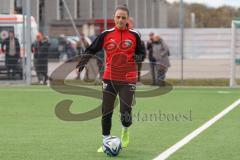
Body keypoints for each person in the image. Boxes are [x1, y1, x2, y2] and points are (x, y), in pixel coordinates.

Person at [76, 5, 145, 152]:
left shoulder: (135, 35)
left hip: (128, 79)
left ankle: (125, 131)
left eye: (123, 17)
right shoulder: (105, 34)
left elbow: (142, 53)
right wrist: (82, 63)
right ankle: (105, 141)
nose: (120, 20)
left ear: (128, 20)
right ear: (114, 18)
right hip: (110, 78)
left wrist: (137, 57)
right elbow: (92, 49)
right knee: (106, 111)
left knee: (125, 111)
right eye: (118, 17)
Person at [127, 17, 146, 82]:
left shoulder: (141, 42)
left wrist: (141, 58)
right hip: (128, 59)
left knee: (137, 70)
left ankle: (137, 81)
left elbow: (143, 51)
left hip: (137, 59)